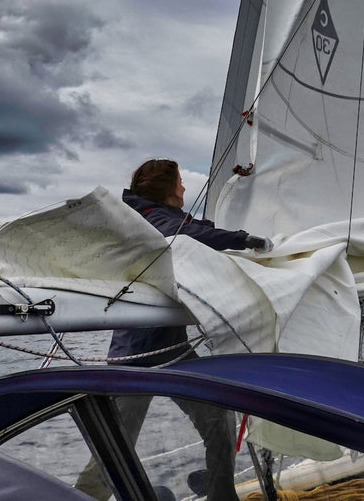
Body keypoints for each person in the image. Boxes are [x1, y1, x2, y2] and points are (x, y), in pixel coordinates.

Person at [76, 158, 273, 501]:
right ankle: (81, 498)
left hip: (173, 349)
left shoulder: (160, 217)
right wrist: (244, 239)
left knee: (217, 420)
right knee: (116, 444)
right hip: (135, 356)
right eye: (180, 182)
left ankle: (221, 496)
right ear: (167, 190)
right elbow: (187, 234)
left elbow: (197, 231)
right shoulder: (149, 220)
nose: (184, 189)